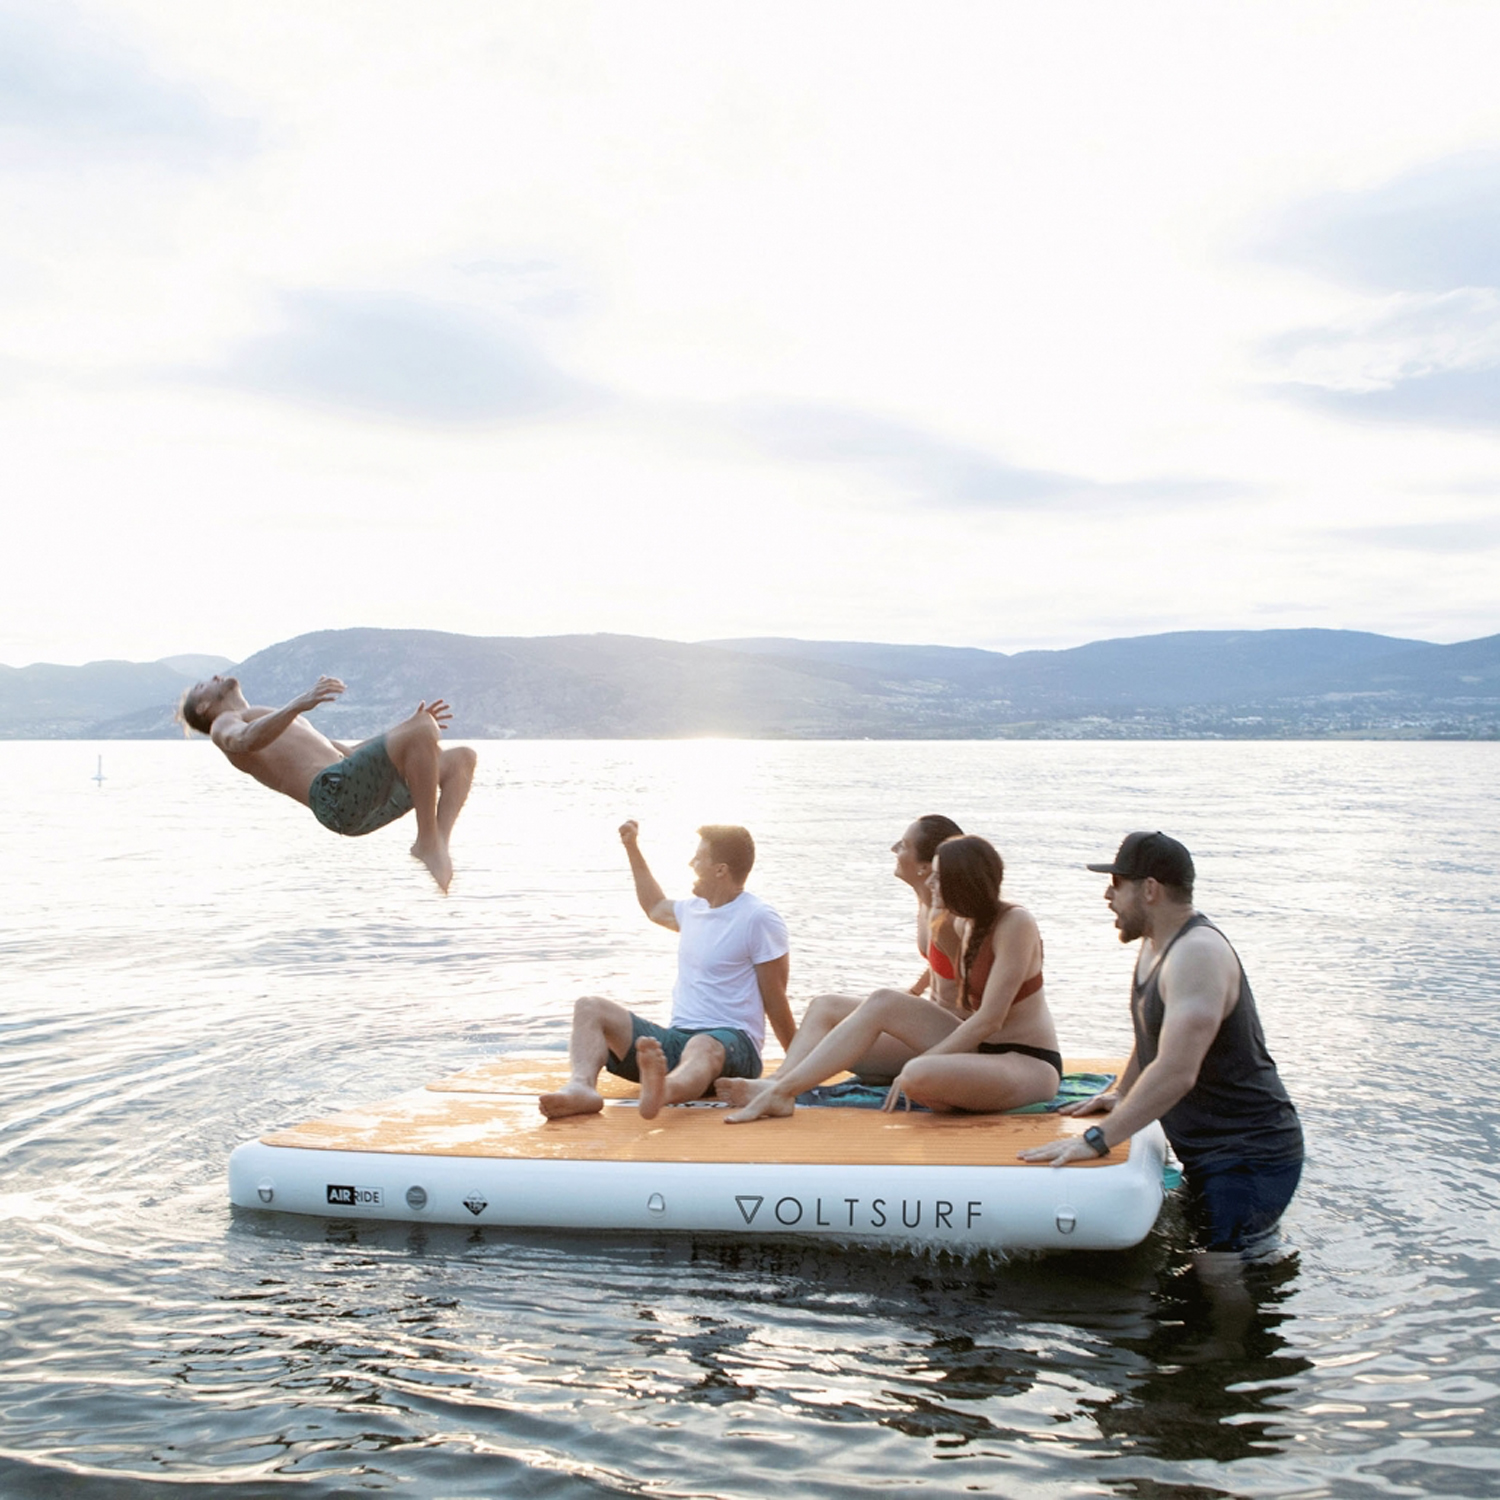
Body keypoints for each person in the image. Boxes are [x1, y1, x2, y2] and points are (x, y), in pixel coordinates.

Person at [1019, 831, 1304, 1262]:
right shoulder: (1157, 945)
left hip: (1249, 1155)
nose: (1106, 896)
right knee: (1203, 1257)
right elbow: (1150, 1037)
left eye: (1117, 885)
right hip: (1211, 1151)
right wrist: (1122, 1094)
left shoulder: (1198, 955)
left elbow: (1175, 1070)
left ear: (1149, 889)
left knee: (1220, 1269)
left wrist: (1097, 1140)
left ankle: (1238, 1330)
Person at [720, 834, 1062, 1122]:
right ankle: (782, 1090)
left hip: (1026, 1061)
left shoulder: (1016, 924)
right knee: (884, 1000)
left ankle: (790, 1088)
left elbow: (990, 1019)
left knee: (915, 1075)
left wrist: (922, 1059)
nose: (929, 881)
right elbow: (941, 975)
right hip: (978, 1049)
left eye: (938, 876)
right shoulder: (965, 922)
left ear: (962, 881)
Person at [538, 821, 795, 1122]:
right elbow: (654, 905)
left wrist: (799, 1067)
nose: (691, 863)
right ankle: (581, 1088)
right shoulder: (692, 910)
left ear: (720, 870)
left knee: (702, 1044)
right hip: (679, 1041)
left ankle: (662, 1090)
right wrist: (632, 848)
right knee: (589, 1007)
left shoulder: (758, 918)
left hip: (734, 1045)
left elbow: (776, 1001)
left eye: (699, 858)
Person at [177, 673, 476, 892]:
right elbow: (244, 740)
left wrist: (408, 732)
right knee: (424, 730)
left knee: (461, 759)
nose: (215, 677)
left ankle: (438, 844)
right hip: (332, 794)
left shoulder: (279, 719)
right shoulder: (224, 723)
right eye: (204, 685)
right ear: (203, 708)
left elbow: (350, 754)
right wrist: (298, 704)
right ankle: (427, 842)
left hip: (355, 799)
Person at [773, 815, 965, 1085]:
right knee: (824, 1006)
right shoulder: (926, 903)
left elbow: (973, 971)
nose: (894, 850)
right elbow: (940, 960)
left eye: (903, 845)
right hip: (934, 1022)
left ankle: (779, 1087)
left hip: (955, 1035)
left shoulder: (948, 915)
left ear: (925, 866)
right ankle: (780, 1080)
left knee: (834, 1040)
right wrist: (915, 991)